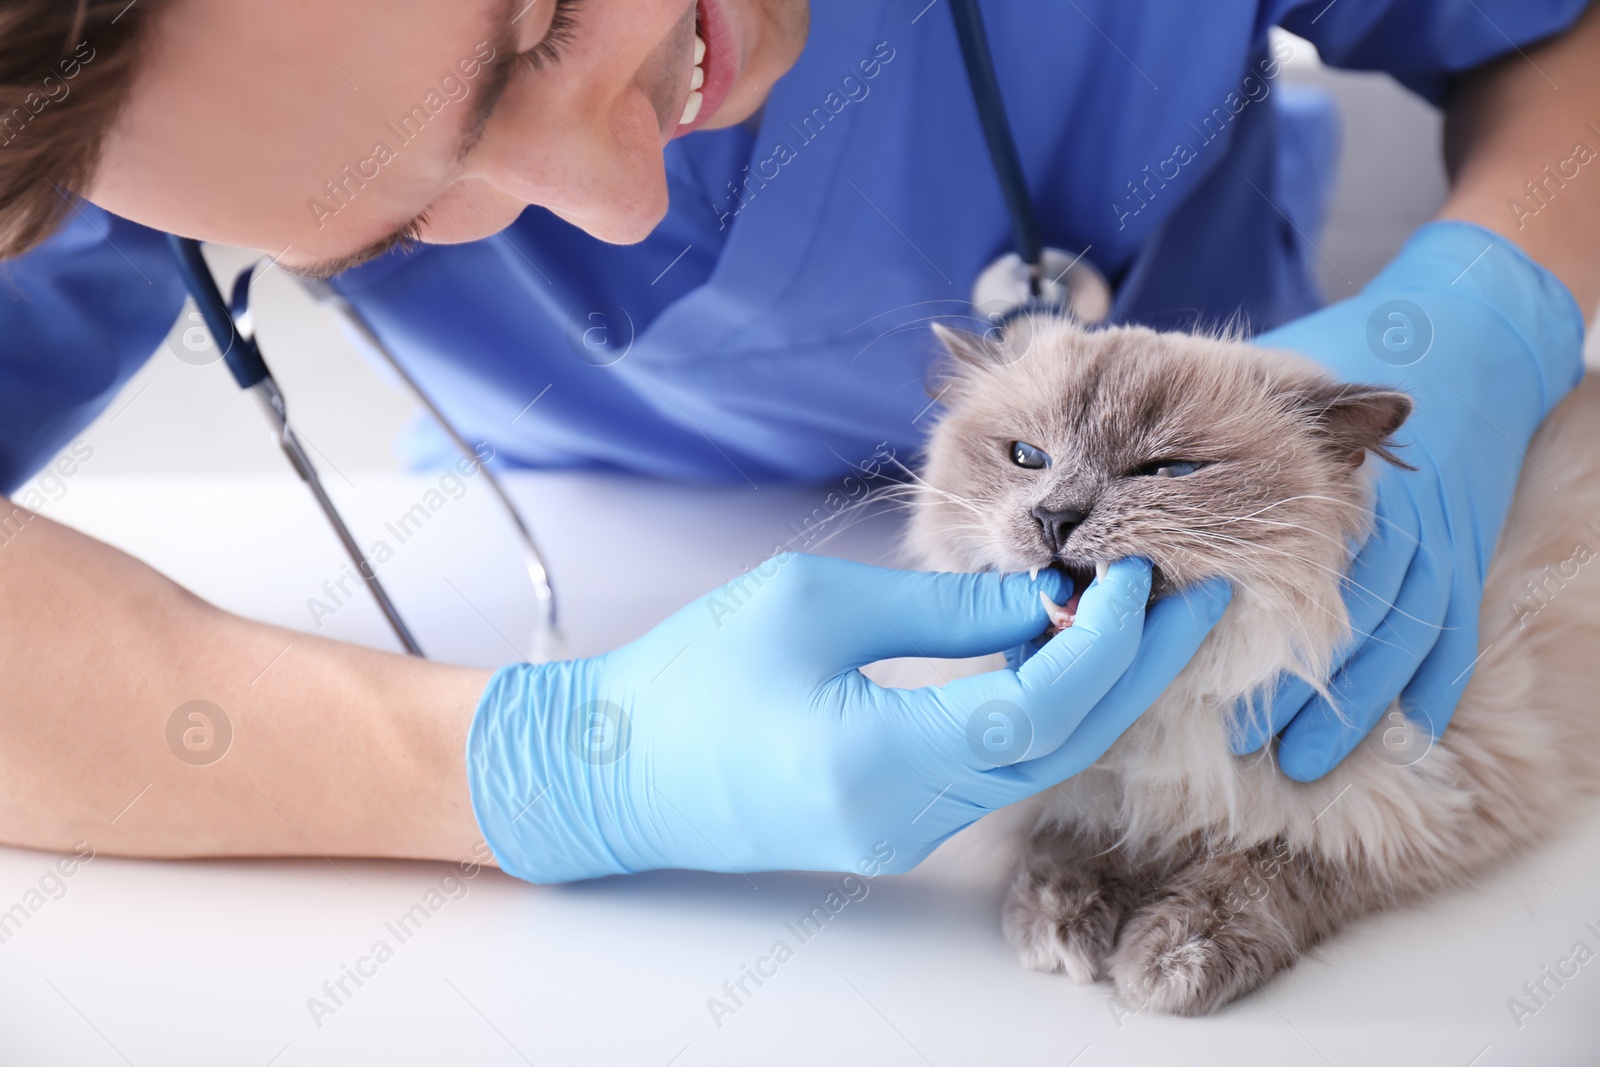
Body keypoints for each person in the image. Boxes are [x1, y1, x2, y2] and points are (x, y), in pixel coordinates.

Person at [0, 0, 1592, 883]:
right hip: (598, 548)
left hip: (1243, 601)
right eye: (411, 219)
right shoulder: (95, 103)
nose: (613, 208)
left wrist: (1490, 297)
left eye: (544, 23)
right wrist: (514, 771)